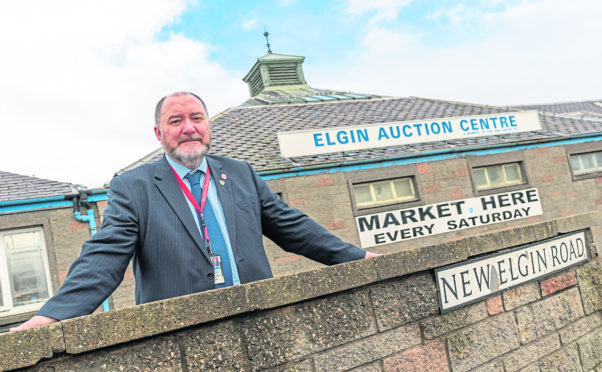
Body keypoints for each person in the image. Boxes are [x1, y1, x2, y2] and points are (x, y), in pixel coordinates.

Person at [12, 92, 379, 331]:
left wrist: (358, 256)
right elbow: (104, 256)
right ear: (159, 133)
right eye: (176, 121)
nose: (188, 128)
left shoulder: (240, 173)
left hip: (259, 320)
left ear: (207, 126)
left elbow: (292, 227)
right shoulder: (133, 187)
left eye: (196, 118)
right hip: (181, 336)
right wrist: (52, 315)